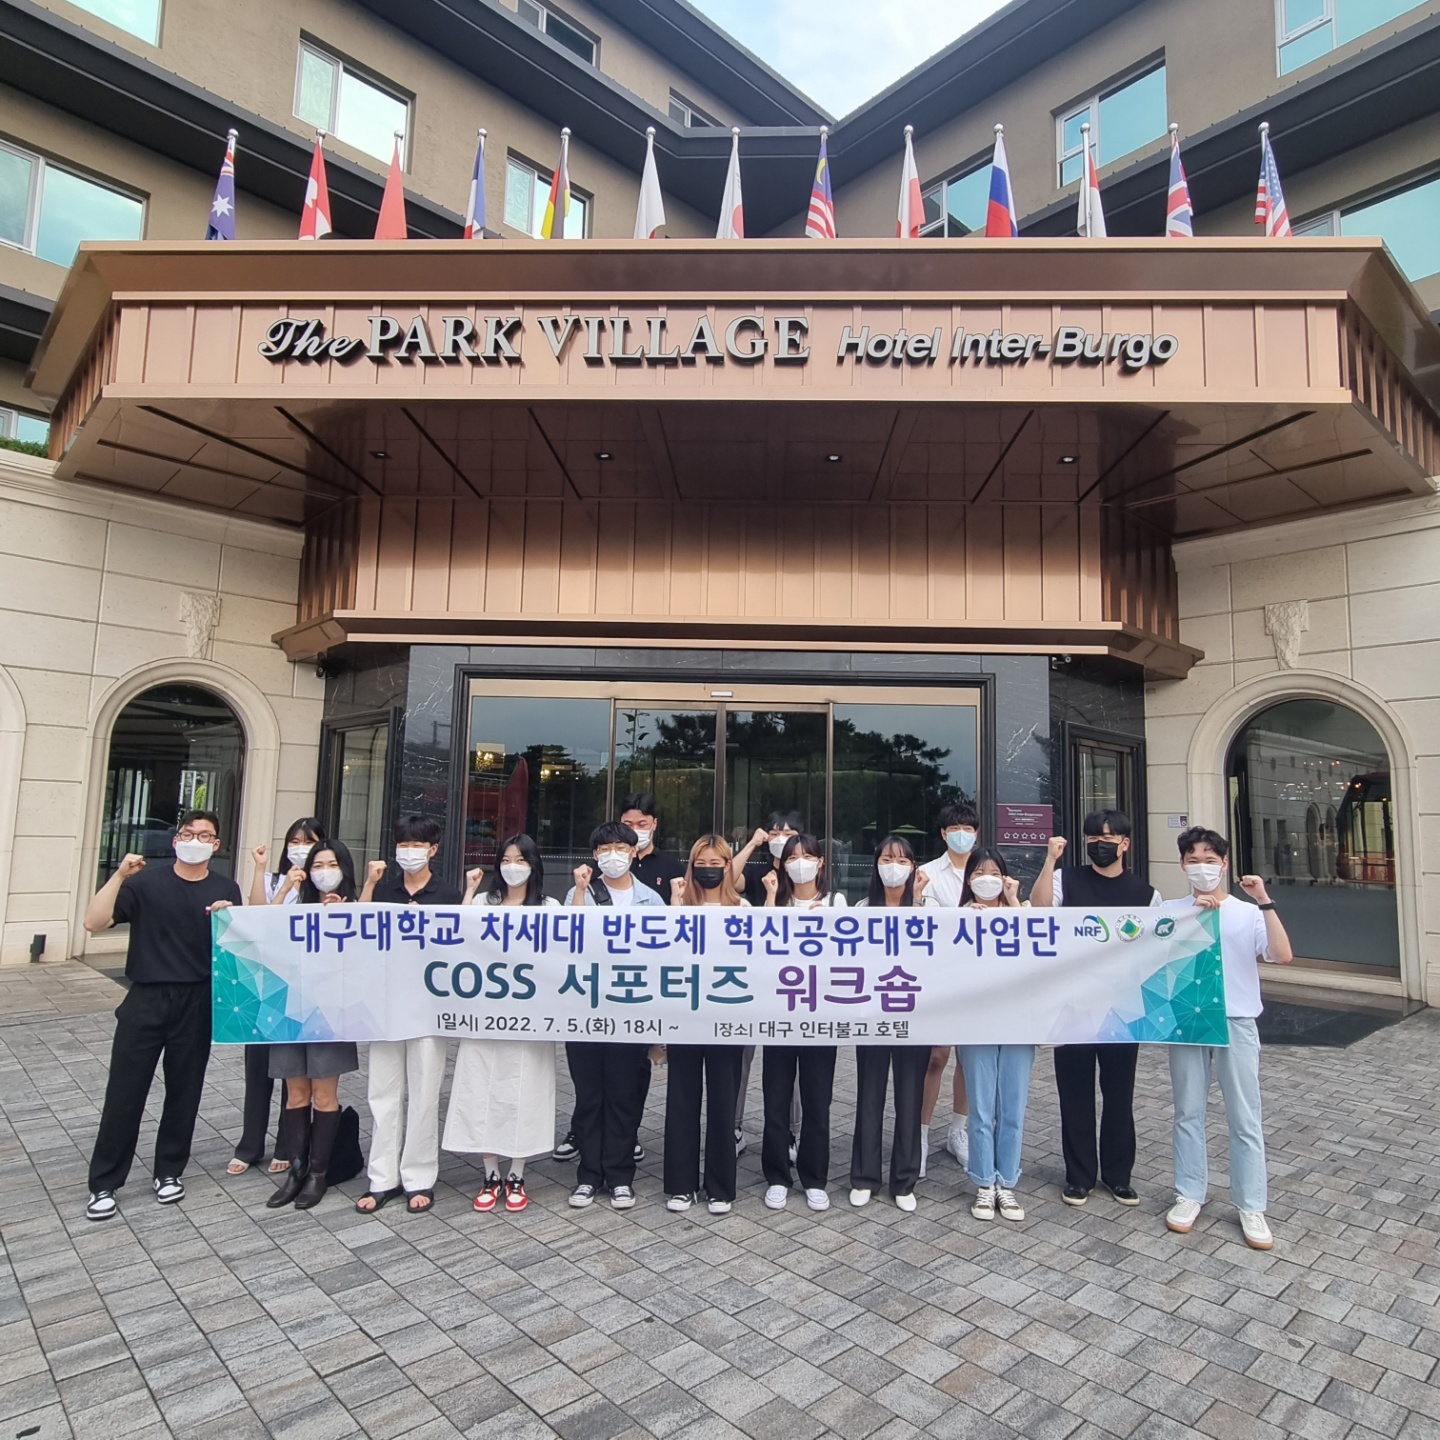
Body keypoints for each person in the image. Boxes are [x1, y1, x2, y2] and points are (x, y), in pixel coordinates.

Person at [83, 810, 241, 1222]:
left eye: (204, 835)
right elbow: (93, 922)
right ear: (175, 840)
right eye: (188, 833)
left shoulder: (226, 888)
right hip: (146, 998)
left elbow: (238, 952)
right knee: (125, 1091)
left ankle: (169, 1171)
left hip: (197, 1000)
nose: (195, 840)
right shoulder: (145, 883)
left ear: (216, 845)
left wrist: (228, 921)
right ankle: (104, 1182)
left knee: (184, 1091)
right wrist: (119, 875)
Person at [1162, 826, 1293, 1251]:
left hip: (1236, 1017)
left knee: (1244, 1115)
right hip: (1188, 1018)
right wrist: (1190, 921)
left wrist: (1264, 900)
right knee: (1187, 1111)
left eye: (1210, 859)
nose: (1202, 867)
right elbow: (1151, 958)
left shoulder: (1248, 912)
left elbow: (1281, 954)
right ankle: (1189, 1192)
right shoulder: (1171, 910)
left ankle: (1251, 1204)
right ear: (1182, 864)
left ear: (1224, 864)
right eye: (1193, 860)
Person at [1030, 812, 1161, 1208]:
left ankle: (1119, 1176)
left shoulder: (1146, 894)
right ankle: (1079, 1176)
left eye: (1107, 837)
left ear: (1125, 844)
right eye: (1091, 837)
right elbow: (1039, 907)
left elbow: (1160, 946)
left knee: (1119, 1095)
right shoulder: (1066, 879)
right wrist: (1050, 859)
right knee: (1074, 1094)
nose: (1098, 844)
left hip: (1123, 1009)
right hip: (1073, 1006)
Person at [444, 836, 561, 1216]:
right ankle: (490, 1173)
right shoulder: (483, 903)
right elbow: (458, 938)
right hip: (485, 1016)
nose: (513, 867)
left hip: (529, 1019)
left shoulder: (549, 908)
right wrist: (469, 890)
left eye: (521, 860)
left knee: (524, 1091)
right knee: (480, 1090)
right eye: (507, 859)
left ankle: (516, 1174)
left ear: (534, 865)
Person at [356, 814, 462, 1216]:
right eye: (403, 845)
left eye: (418, 845)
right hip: (385, 1004)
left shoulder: (447, 895)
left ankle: (419, 1176)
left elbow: (459, 949)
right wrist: (369, 884)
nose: (409, 852)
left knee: (424, 1092)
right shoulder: (384, 891)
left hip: (428, 1008)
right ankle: (381, 1177)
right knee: (382, 1092)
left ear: (433, 849)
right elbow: (358, 932)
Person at [552, 803, 668, 1165]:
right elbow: (569, 942)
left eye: (621, 848)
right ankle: (589, 1155)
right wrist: (580, 891)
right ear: (594, 855)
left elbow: (663, 957)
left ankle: (624, 1142)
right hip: (588, 1001)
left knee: (629, 1082)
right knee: (589, 1084)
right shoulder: (579, 894)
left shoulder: (652, 899)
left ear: (634, 852)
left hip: (634, 1003)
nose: (613, 855)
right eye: (605, 849)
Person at [262, 840, 361, 1211]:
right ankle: (297, 1169)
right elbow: (262, 930)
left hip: (330, 1014)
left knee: (324, 1095)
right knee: (295, 1093)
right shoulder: (295, 907)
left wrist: (342, 917)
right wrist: (286, 888)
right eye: (317, 865)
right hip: (290, 1010)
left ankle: (318, 1172)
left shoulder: (355, 910)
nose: (324, 872)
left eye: (332, 864)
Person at [228, 817, 325, 1179]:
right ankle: (249, 1145)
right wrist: (277, 883)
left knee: (293, 1073)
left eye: (308, 842)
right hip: (264, 988)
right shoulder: (272, 881)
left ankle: (287, 1145)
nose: (300, 848)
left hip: (303, 992)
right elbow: (258, 919)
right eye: (294, 842)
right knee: (257, 1071)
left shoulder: (323, 886)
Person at [758, 834, 844, 1213]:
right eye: (792, 857)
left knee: (817, 1100)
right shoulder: (776, 901)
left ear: (821, 862)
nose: (800, 864)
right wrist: (771, 899)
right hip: (779, 1014)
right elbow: (759, 949)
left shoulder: (836, 903)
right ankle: (777, 1176)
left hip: (821, 1016)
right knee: (776, 1100)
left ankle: (814, 1177)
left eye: (808, 856)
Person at [664, 836, 749, 1214]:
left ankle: (720, 1187)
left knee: (723, 1102)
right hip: (684, 1017)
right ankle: (681, 1185)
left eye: (716, 863)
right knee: (681, 1100)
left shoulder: (743, 908)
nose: (708, 869)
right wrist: (674, 905)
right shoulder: (680, 905)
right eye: (701, 863)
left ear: (729, 866)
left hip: (728, 1018)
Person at [848, 835, 931, 1213]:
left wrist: (919, 901)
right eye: (886, 859)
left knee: (910, 1097)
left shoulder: (929, 907)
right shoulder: (862, 908)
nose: (893, 867)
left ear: (913, 867)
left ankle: (904, 1179)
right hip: (873, 1014)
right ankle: (865, 1176)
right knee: (869, 1094)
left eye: (901, 860)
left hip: (916, 1015)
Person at [955, 847, 1033, 1224]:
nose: (987, 879)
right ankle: (984, 1181)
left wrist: (1014, 903)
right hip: (976, 1022)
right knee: (981, 1106)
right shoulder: (957, 918)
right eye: (978, 873)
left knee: (1013, 1105)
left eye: (994, 872)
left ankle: (1008, 1181)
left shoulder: (1023, 912)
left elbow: (1039, 952)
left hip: (1020, 1022)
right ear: (968, 880)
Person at [730, 809, 802, 1156]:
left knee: (788, 1061)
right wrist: (751, 844)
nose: (780, 839)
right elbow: (728, 880)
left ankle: (791, 1131)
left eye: (788, 833)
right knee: (739, 1057)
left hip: (789, 982)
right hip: (750, 978)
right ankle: (733, 1126)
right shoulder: (757, 870)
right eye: (774, 832)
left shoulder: (803, 874)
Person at [918, 802, 980, 1178]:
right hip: (938, 975)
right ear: (943, 834)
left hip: (978, 977)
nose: (962, 835)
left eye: (968, 829)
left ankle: (959, 1131)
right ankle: (921, 1135)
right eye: (955, 829)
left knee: (968, 1057)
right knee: (936, 1056)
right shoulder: (926, 873)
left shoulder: (986, 871)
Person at [621, 793, 687, 903]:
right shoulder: (612, 864)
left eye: (642, 824)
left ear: (654, 824)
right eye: (628, 825)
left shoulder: (672, 867)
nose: (634, 830)